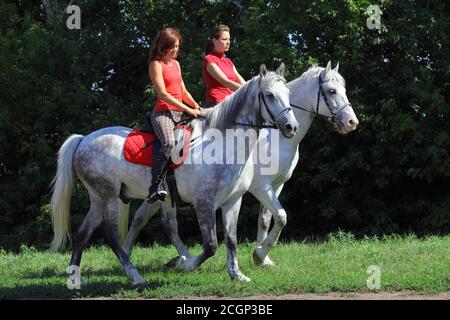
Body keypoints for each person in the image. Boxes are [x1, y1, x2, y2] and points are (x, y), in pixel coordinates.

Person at [147, 27, 202, 203]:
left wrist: (196, 106)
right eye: (173, 46)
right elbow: (163, 94)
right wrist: (188, 110)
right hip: (163, 113)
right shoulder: (155, 64)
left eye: (177, 46)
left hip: (179, 113)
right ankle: (154, 186)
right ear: (163, 46)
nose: (176, 50)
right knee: (169, 143)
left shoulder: (176, 64)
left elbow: (183, 91)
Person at [202, 24, 246, 108]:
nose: (228, 42)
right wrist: (248, 90)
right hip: (216, 105)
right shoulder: (209, 59)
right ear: (214, 41)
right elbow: (225, 82)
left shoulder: (228, 61)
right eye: (224, 39)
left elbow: (242, 81)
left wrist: (254, 87)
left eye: (229, 39)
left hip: (231, 103)